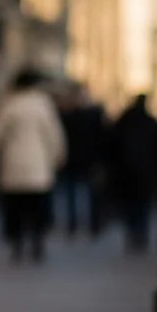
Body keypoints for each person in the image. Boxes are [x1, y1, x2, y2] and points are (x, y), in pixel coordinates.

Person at [0, 70, 66, 262]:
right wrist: (58, 156)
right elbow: (54, 135)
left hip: (12, 165)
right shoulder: (43, 105)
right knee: (37, 208)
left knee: (16, 209)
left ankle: (17, 245)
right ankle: (37, 243)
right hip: (38, 165)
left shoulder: (7, 105)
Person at [110, 94, 157, 253]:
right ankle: (141, 235)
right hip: (145, 172)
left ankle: (133, 233)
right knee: (143, 205)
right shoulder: (150, 122)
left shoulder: (123, 121)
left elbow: (112, 146)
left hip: (126, 172)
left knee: (130, 205)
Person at [58, 83, 107, 237]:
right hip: (77, 160)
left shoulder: (87, 115)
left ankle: (90, 224)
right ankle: (79, 224)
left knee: (88, 193)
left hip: (85, 160)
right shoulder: (69, 116)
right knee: (76, 193)